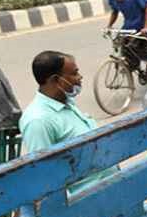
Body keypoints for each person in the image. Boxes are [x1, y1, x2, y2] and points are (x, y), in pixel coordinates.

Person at [21, 51, 117, 194]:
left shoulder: (65, 103)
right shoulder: (38, 121)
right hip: (88, 201)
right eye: (74, 73)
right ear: (55, 80)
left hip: (110, 187)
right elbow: (44, 175)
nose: (80, 77)